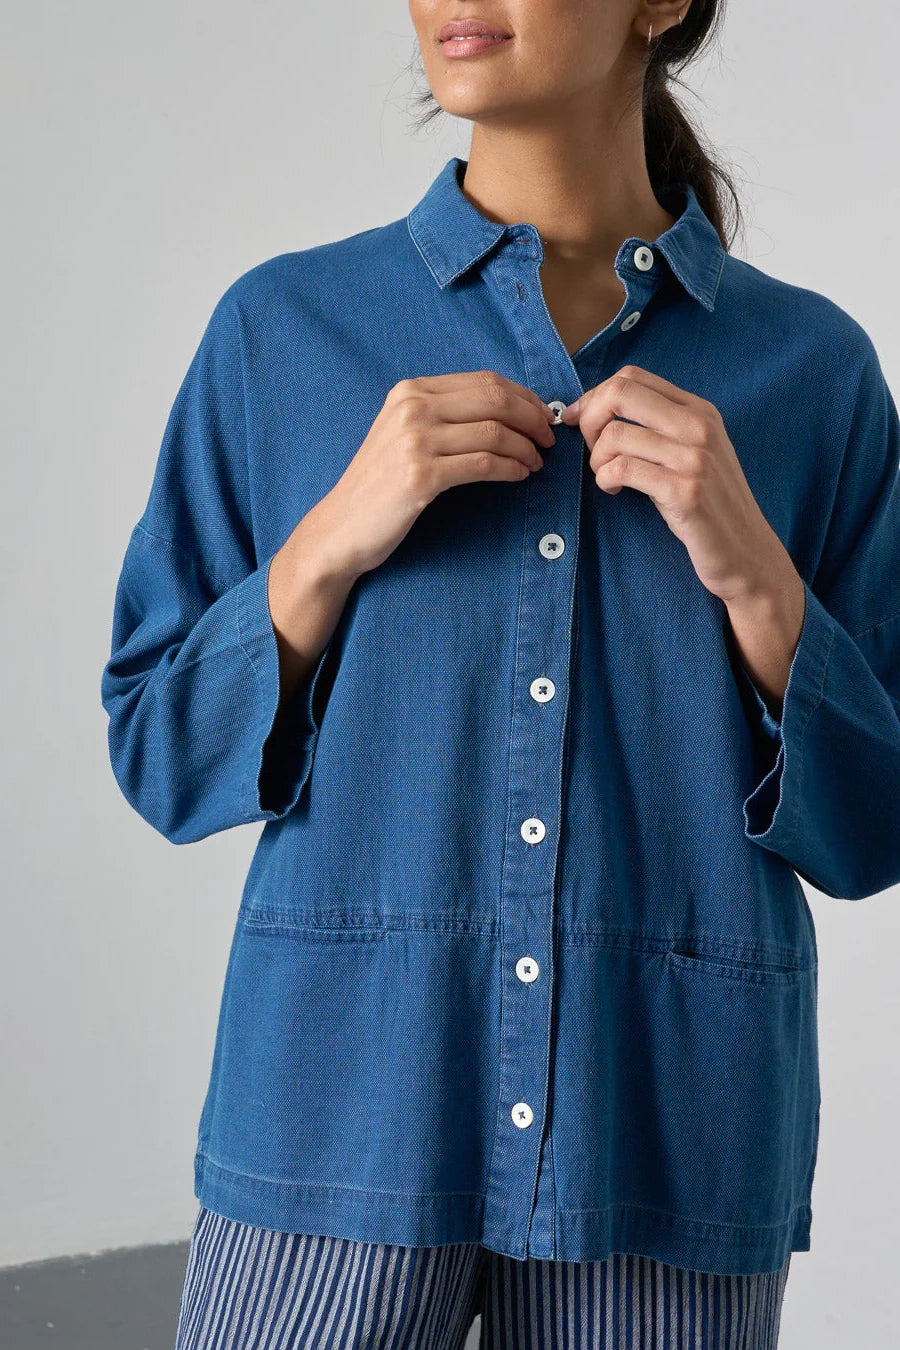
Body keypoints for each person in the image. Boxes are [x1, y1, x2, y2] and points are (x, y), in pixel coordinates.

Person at [100, 1, 900, 1347]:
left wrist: (760, 581)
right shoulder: (281, 333)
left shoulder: (811, 374)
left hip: (666, 1128)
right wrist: (330, 539)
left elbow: (876, 826)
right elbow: (159, 750)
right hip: (340, 1111)